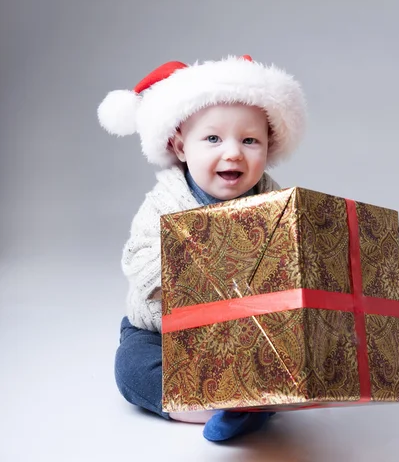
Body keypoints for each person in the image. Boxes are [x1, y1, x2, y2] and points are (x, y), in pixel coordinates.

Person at [97, 54, 306, 441]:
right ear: (179, 147)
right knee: (132, 369)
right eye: (212, 138)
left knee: (294, 351)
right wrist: (199, 267)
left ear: (269, 145)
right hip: (162, 331)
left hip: (243, 330)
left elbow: (290, 265)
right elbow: (138, 262)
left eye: (249, 140)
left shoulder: (275, 203)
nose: (232, 153)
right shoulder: (164, 203)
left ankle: (250, 397)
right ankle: (220, 407)